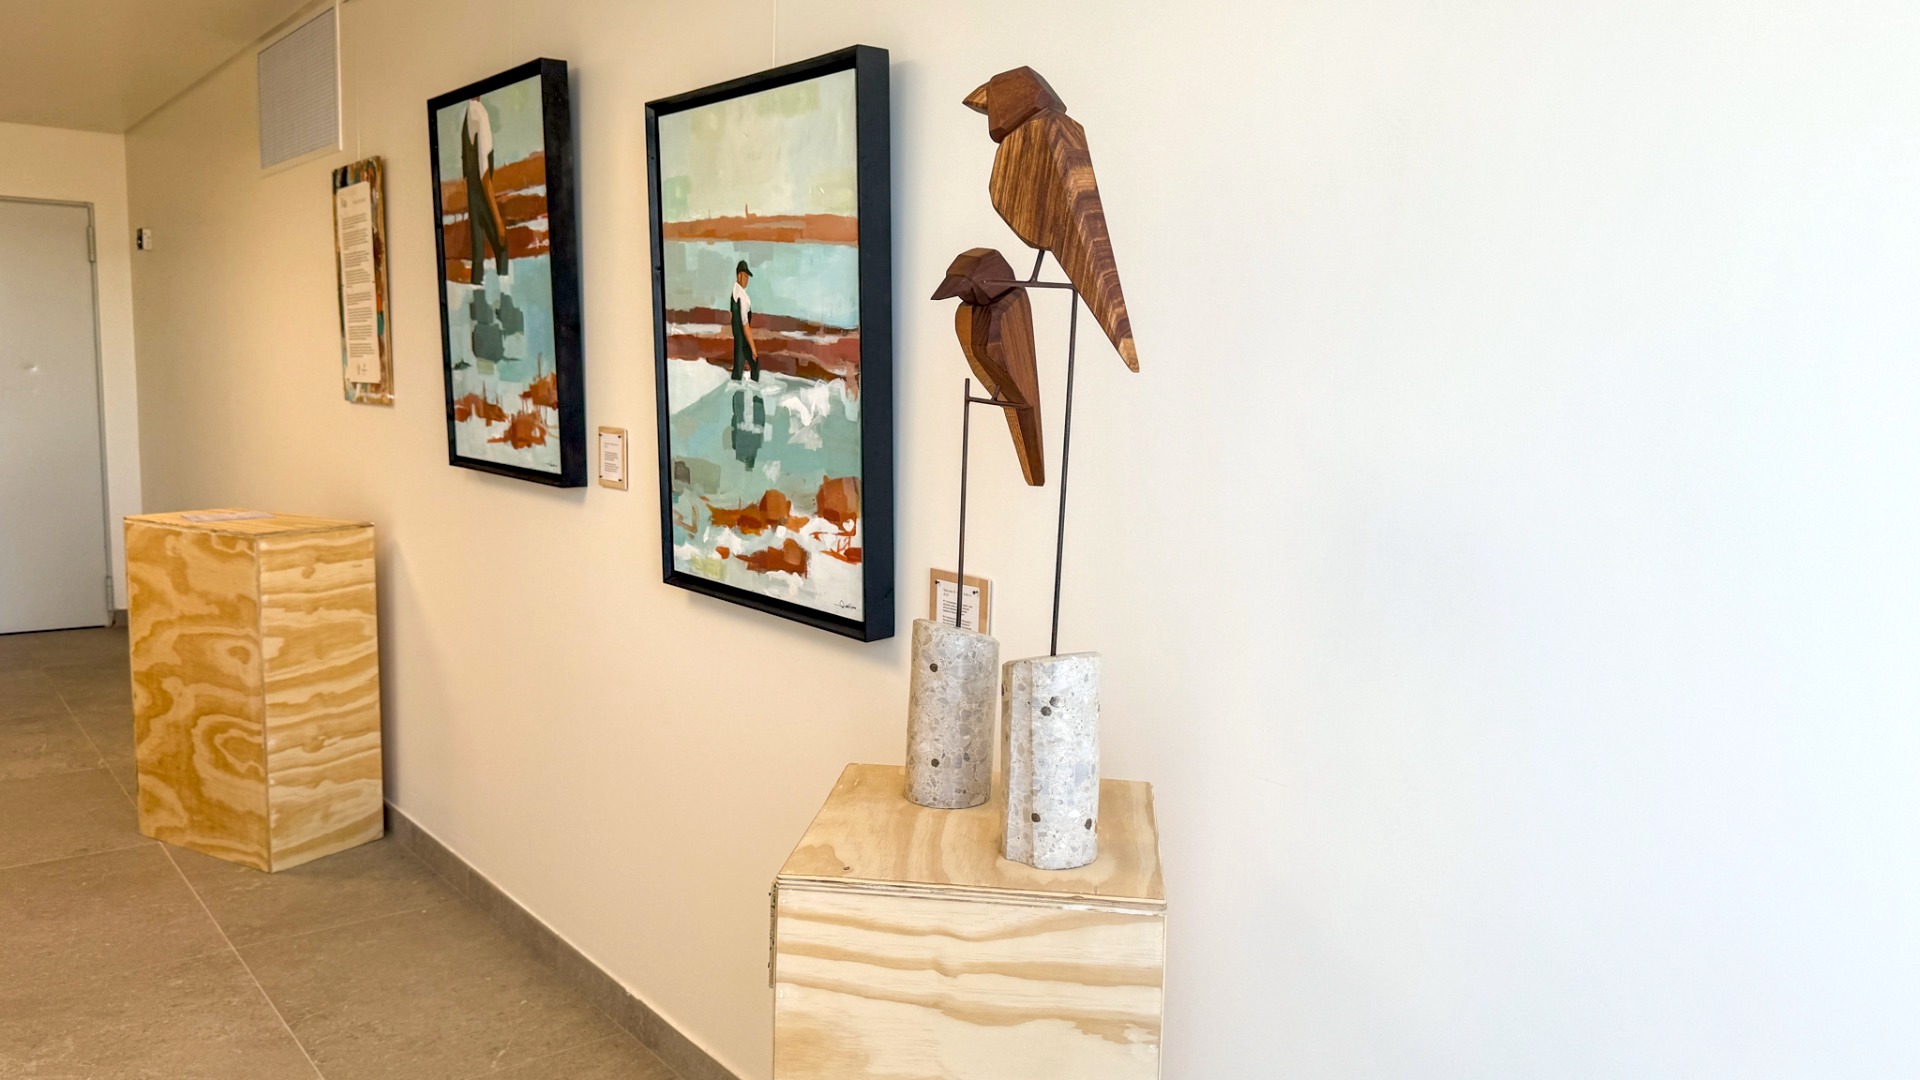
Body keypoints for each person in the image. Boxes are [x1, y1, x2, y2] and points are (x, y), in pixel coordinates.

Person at [730, 260, 759, 381]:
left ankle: (747, 388)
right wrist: (753, 348)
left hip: (739, 338)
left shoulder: (734, 292)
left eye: (748, 277)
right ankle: (754, 390)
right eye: (745, 276)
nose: (747, 280)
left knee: (739, 370)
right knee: (749, 365)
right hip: (743, 340)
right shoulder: (742, 297)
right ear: (739, 276)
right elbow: (745, 324)